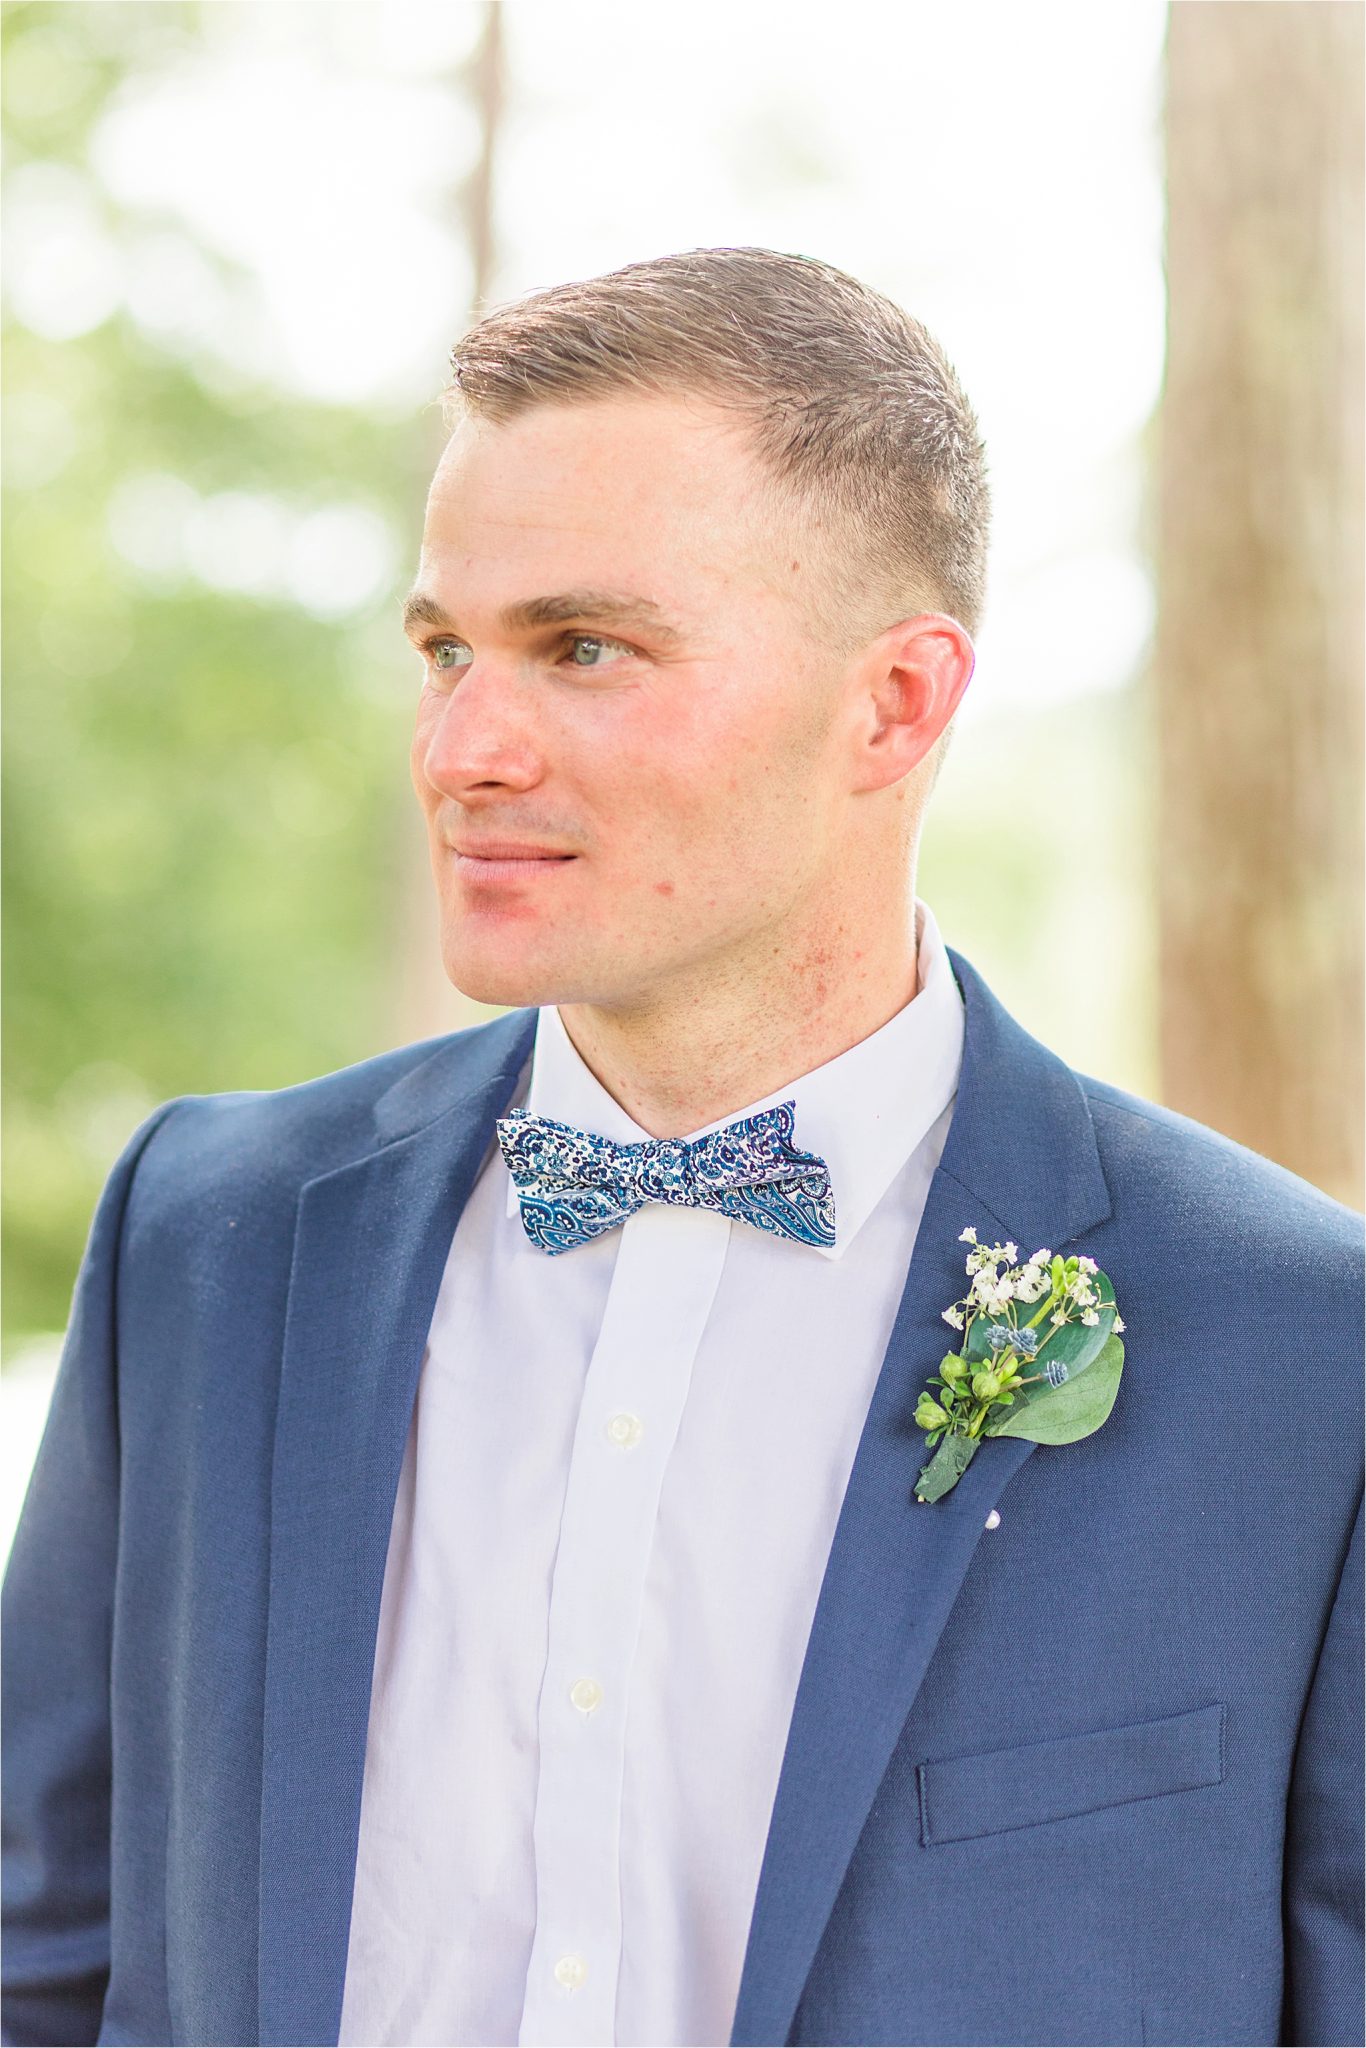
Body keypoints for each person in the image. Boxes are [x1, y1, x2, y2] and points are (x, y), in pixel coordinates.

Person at [2, 247, 1361, 2048]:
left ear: (894, 702)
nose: (463, 747)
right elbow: (42, 1956)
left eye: (583, 648)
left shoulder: (1298, 1346)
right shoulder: (208, 1236)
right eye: (442, 650)